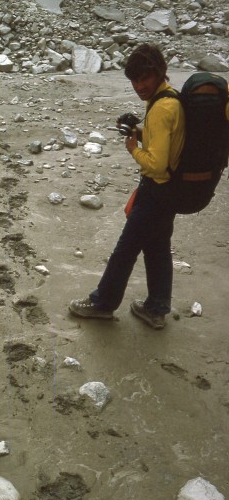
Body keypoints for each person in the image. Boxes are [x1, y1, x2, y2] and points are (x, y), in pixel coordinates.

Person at [69, 44, 186, 329]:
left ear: (159, 73)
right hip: (171, 192)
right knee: (157, 247)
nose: (139, 86)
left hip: (156, 190)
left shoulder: (161, 108)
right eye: (134, 80)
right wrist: (138, 130)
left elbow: (156, 164)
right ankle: (156, 309)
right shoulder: (171, 98)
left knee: (126, 249)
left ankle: (102, 303)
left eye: (144, 78)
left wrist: (133, 147)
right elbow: (164, 141)